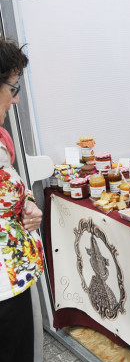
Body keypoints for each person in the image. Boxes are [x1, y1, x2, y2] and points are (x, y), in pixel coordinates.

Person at [0, 39, 44, 362]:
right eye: (13, 89)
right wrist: (22, 201)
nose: (16, 101)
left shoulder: (2, 136)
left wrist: (26, 198)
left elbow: (10, 182)